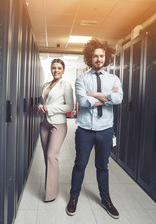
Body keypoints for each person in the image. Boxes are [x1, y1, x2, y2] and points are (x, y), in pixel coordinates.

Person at [66, 39, 123, 219]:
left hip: (105, 129)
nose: (98, 59)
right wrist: (108, 97)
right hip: (85, 130)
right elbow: (82, 102)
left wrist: (94, 95)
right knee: (80, 164)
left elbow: (119, 99)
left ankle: (105, 199)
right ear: (89, 57)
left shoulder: (114, 79)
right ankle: (73, 197)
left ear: (105, 58)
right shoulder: (81, 79)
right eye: (95, 56)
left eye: (101, 56)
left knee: (103, 166)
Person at [37, 58, 74, 202]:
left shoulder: (66, 85)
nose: (56, 70)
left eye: (59, 68)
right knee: (47, 157)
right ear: (51, 69)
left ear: (63, 70)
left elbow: (69, 107)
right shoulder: (46, 85)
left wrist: (50, 108)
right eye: (54, 68)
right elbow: (43, 102)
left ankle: (50, 195)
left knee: (52, 156)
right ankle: (50, 188)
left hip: (58, 125)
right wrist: (41, 107)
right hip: (45, 123)